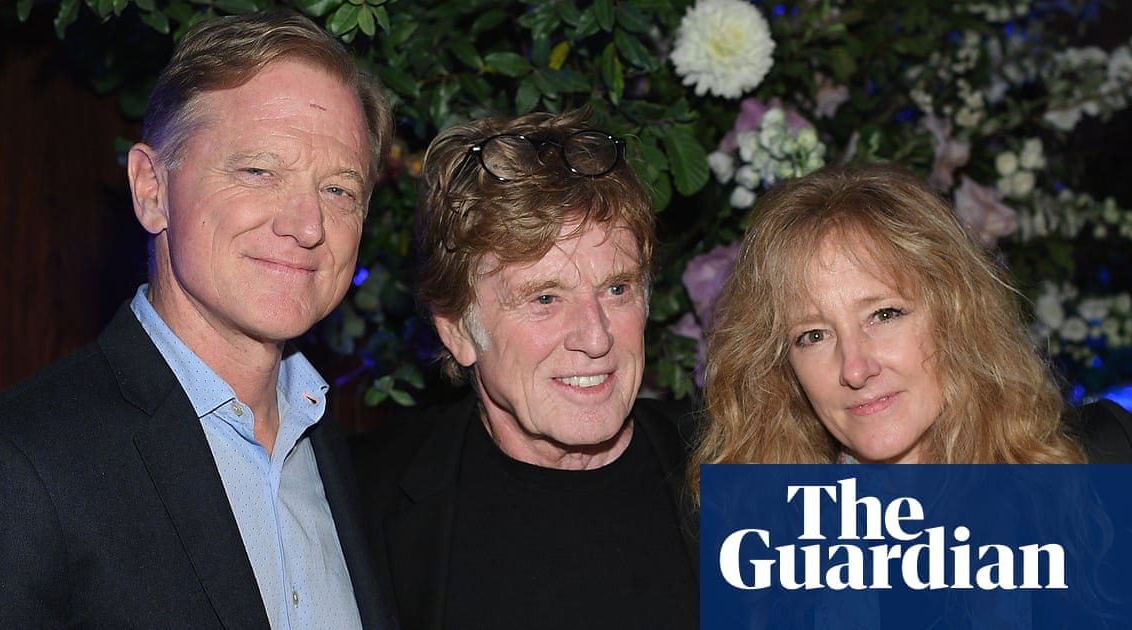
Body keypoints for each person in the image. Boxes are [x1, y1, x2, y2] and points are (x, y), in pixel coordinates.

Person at [0, 11, 397, 629]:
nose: (308, 226)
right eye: (259, 172)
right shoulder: (13, 468)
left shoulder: (336, 450)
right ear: (152, 189)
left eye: (339, 190)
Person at [350, 110, 699, 629]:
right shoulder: (360, 504)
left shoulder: (741, 465)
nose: (596, 337)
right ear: (458, 331)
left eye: (616, 288)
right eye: (545, 298)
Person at [692, 164, 1132, 475]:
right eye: (812, 335)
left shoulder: (1103, 465)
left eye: (883, 314)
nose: (854, 369)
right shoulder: (766, 546)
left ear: (955, 315)